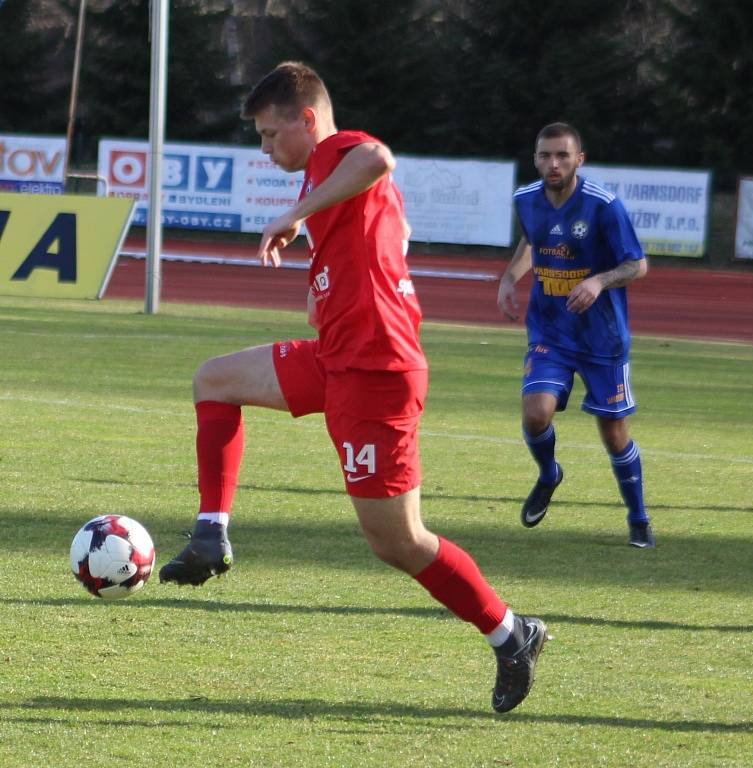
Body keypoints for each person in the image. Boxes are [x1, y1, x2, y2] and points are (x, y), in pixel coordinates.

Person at [158, 61, 548, 712]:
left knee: (396, 542)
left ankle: (512, 634)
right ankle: (210, 532)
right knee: (215, 380)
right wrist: (324, 291)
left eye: (268, 133)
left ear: (306, 120)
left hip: (376, 371)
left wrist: (294, 213)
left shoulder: (337, 152)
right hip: (338, 355)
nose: (264, 148)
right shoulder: (328, 181)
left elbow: (377, 156)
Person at [497, 122, 655, 548]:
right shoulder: (525, 199)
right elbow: (531, 242)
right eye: (545, 155)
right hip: (550, 329)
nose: (553, 163)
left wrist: (599, 282)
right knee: (535, 412)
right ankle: (549, 474)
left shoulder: (604, 206)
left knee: (613, 432)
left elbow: (637, 264)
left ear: (579, 160)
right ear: (535, 159)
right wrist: (510, 278)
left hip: (603, 338)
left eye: (562, 156)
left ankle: (639, 519)